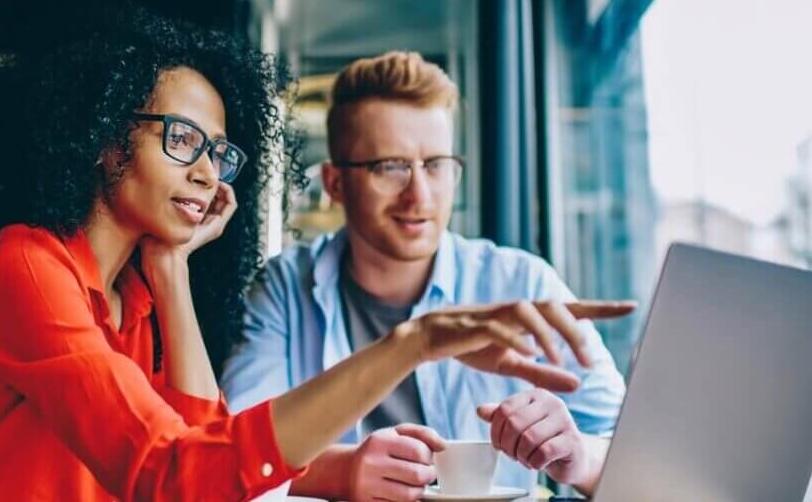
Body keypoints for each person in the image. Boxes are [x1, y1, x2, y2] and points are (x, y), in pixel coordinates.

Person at [0, 8, 632, 502]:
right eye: (181, 140)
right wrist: (415, 344)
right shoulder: (26, 268)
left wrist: (170, 272)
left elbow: (200, 458)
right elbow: (175, 475)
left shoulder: (135, 296)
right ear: (101, 140)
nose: (206, 170)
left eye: (219, 152)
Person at [221, 51, 631, 501]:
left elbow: (636, 456)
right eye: (390, 167)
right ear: (335, 183)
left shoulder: (521, 284)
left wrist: (579, 457)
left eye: (436, 165)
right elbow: (231, 455)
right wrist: (341, 471)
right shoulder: (284, 288)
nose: (419, 195)